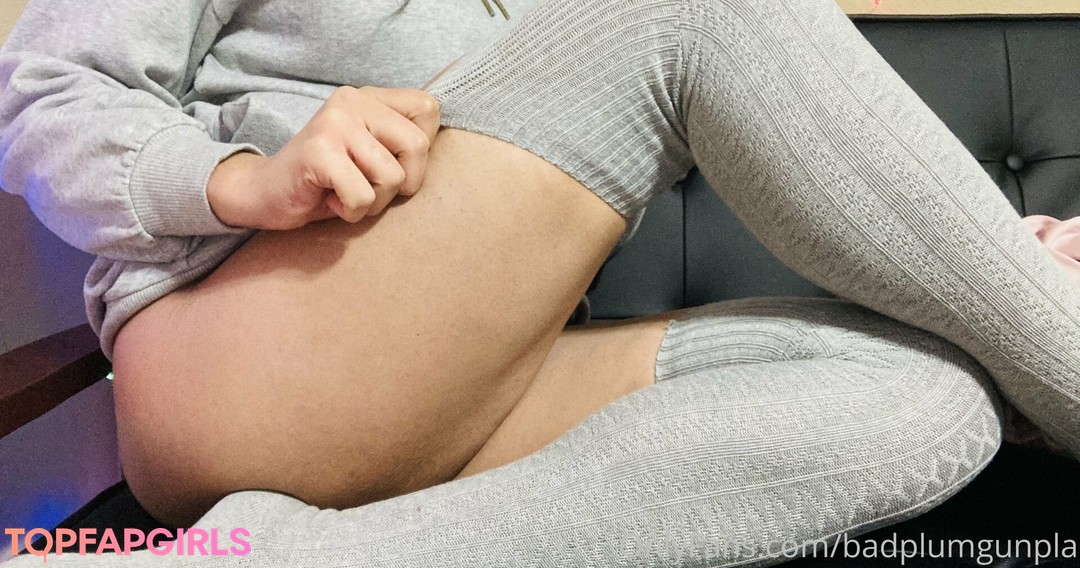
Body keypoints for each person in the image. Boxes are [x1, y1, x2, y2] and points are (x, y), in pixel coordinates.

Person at [1, 0, 1076, 565]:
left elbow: (790, 136)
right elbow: (44, 94)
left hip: (467, 383)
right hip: (236, 349)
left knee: (936, 401)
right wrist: (243, 178)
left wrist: (982, 259)